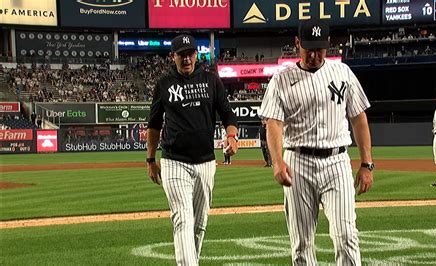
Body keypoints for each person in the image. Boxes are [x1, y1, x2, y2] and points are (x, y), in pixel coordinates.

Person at [258, 19, 374, 265]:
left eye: (319, 48)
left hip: (337, 161)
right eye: (308, 48)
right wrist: (277, 162)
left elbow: (359, 118)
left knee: (346, 236)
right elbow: (273, 124)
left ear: (328, 44)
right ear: (297, 43)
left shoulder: (343, 73)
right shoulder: (281, 80)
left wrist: (367, 164)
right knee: (301, 244)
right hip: (298, 162)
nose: (314, 54)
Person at [146, 34, 238, 265]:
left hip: (206, 162)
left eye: (190, 54)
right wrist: (150, 159)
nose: (186, 59)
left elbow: (227, 112)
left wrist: (232, 135)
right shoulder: (164, 84)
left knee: (199, 225)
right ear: (173, 57)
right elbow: (154, 124)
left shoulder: (211, 80)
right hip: (174, 161)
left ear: (196, 55)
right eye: (181, 55)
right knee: (183, 219)